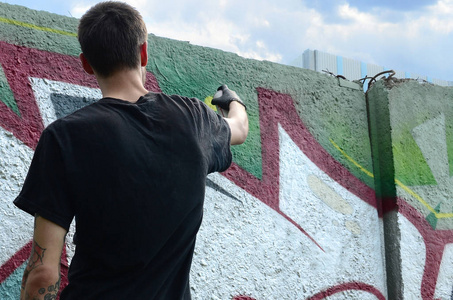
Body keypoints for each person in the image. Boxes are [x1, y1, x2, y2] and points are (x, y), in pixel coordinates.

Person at [14, 2, 248, 299]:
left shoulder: (64, 137)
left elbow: (43, 273)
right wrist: (232, 100)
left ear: (86, 63)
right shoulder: (194, 118)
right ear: (144, 52)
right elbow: (239, 128)